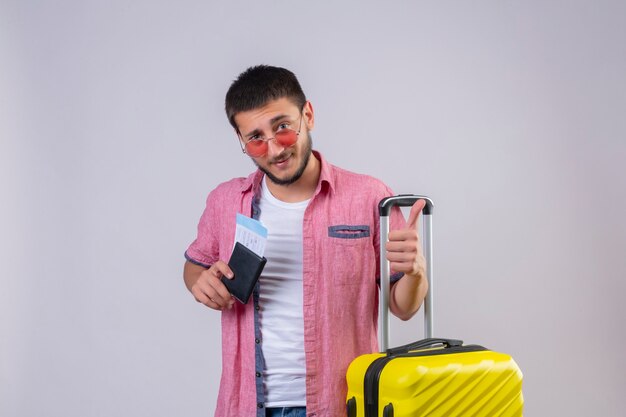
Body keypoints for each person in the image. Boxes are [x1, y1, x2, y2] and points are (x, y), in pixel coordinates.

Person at [183, 65, 428, 417]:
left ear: (307, 116)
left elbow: (403, 308)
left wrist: (415, 273)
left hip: (340, 403)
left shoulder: (369, 196)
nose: (274, 149)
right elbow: (195, 265)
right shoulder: (224, 201)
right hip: (247, 405)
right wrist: (198, 281)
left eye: (282, 127)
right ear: (242, 141)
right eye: (255, 138)